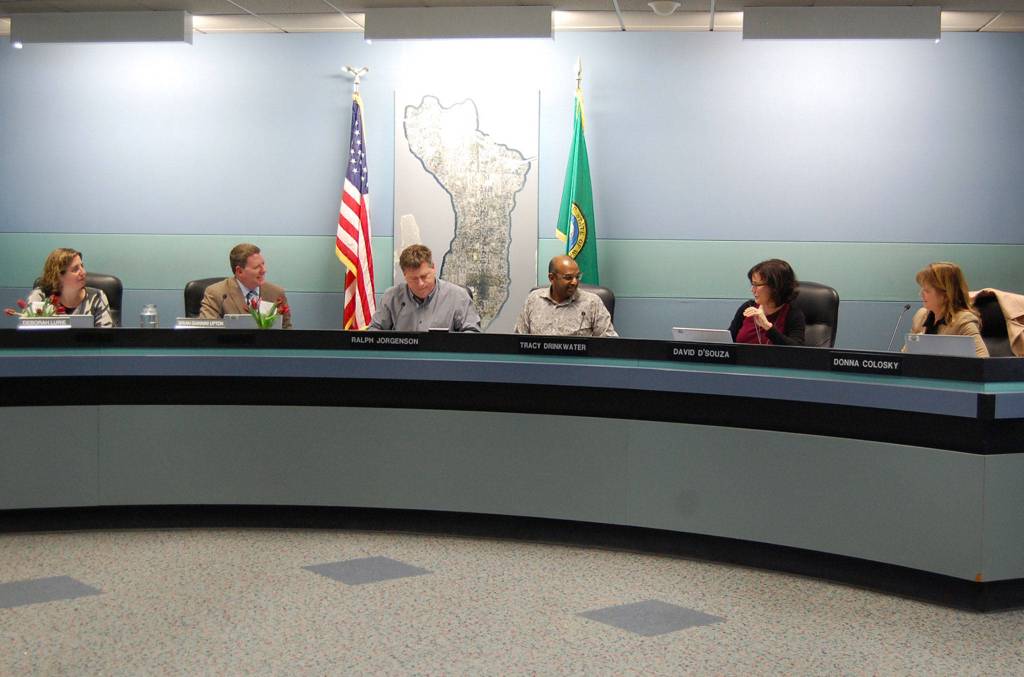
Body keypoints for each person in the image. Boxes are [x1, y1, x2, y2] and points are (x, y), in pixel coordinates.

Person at [369, 244, 481, 332]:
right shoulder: (391, 297)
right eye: (413, 279)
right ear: (405, 275)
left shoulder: (458, 296)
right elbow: (374, 330)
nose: (420, 284)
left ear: (433, 268)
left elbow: (472, 333)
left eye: (424, 276)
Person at [514, 255, 617, 337]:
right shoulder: (533, 299)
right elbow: (518, 340)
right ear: (551, 278)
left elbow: (609, 343)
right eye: (568, 278)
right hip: (539, 357)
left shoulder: (592, 302)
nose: (574, 282)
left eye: (577, 276)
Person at [199, 243, 292, 329]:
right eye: (257, 267)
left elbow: (287, 330)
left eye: (263, 264)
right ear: (239, 271)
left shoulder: (276, 293)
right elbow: (208, 332)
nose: (264, 270)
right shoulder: (216, 293)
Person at [908, 262, 988, 357]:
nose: (921, 294)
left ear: (946, 295)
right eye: (922, 289)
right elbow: (905, 356)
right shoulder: (921, 316)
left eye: (927, 290)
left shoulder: (963, 321)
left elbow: (983, 359)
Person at [27, 248, 113, 327]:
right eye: (75, 269)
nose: (83, 272)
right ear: (58, 276)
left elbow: (106, 336)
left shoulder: (97, 297)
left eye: (82, 266)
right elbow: (30, 332)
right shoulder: (40, 296)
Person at [729, 259, 805, 346]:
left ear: (775, 287)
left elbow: (797, 350)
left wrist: (768, 327)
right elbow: (728, 340)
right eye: (752, 284)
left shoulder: (793, 314)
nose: (752, 290)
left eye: (757, 285)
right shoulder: (748, 307)